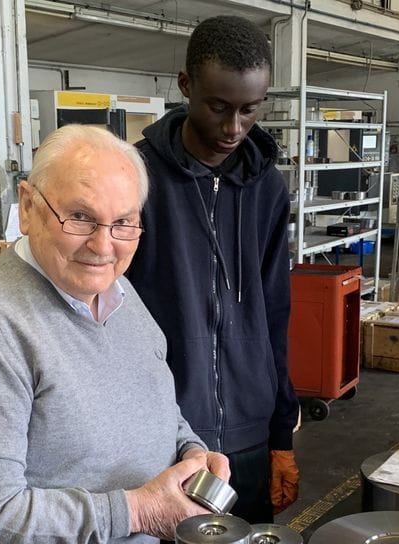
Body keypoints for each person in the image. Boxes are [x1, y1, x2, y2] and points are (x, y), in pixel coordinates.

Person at [0, 124, 229, 543]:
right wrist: (139, 511)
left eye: (123, 222)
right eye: (80, 217)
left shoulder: (115, 289)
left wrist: (189, 452)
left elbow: (155, 405)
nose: (103, 246)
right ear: (27, 207)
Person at [125, 15, 299, 523]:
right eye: (218, 107)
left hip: (250, 434)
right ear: (185, 86)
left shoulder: (267, 189)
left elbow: (275, 314)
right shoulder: (137, 179)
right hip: (165, 438)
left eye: (249, 110)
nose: (233, 128)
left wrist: (280, 434)